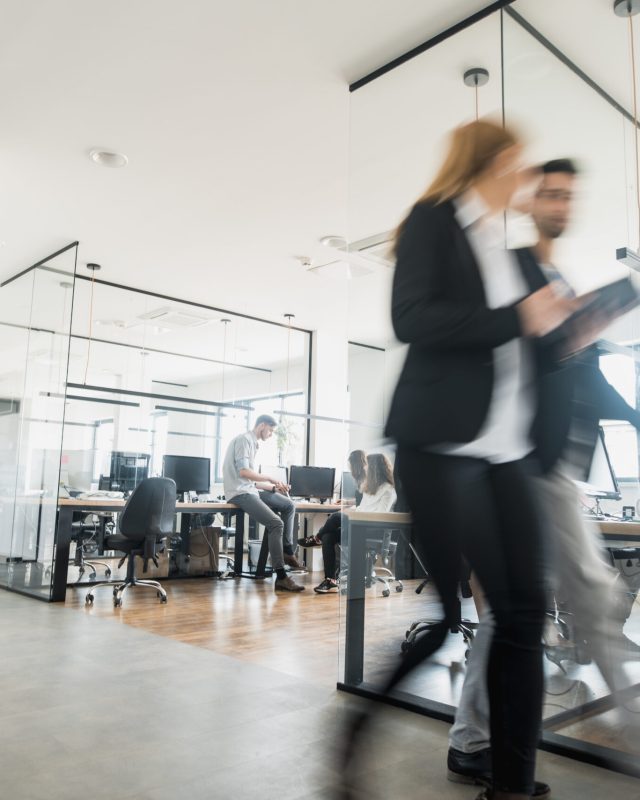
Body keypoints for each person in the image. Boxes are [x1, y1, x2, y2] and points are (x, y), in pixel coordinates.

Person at [339, 119, 576, 800]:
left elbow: (519, 348)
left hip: (507, 455)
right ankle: (354, 733)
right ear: (491, 163)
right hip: (444, 448)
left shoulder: (503, 249)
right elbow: (412, 318)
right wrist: (518, 318)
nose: (525, 177)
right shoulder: (433, 221)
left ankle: (512, 786)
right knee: (449, 617)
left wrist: (564, 329)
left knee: (524, 613)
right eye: (518, 164)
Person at [447, 158, 640, 788]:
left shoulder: (556, 279)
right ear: (530, 202)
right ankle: (630, 724)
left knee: (519, 611)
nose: (560, 204)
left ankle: (471, 739)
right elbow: (521, 354)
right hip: (526, 465)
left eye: (567, 196)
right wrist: (579, 324)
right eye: (550, 194)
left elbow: (583, 373)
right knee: (586, 595)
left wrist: (632, 413)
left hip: (549, 468)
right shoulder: (518, 270)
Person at [222, 414, 306, 592]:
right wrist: (270, 478)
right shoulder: (244, 440)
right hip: (239, 493)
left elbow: (250, 481)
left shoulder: (252, 443)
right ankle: (281, 577)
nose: (271, 434)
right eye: (271, 430)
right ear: (262, 425)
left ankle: (287, 551)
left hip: (249, 489)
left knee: (289, 505)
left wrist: (274, 487)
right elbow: (244, 472)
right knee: (276, 523)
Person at [314, 452, 396, 594]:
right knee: (328, 537)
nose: (364, 468)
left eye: (367, 466)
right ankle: (331, 580)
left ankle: (316, 538)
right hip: (359, 526)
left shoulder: (389, 490)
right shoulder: (369, 488)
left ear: (375, 469)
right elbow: (362, 508)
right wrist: (352, 512)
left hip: (373, 530)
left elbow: (380, 516)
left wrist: (352, 515)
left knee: (335, 517)